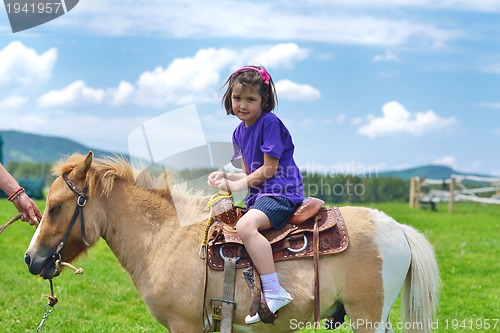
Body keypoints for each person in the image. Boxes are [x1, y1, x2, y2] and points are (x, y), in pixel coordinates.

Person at [207, 65, 305, 324]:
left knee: (245, 226)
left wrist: (237, 185)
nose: (243, 104)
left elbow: (269, 170)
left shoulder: (269, 123)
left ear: (264, 101)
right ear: (230, 99)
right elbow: (251, 175)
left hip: (281, 192)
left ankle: (274, 291)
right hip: (261, 195)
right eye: (238, 98)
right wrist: (228, 179)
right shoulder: (239, 132)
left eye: (251, 99)